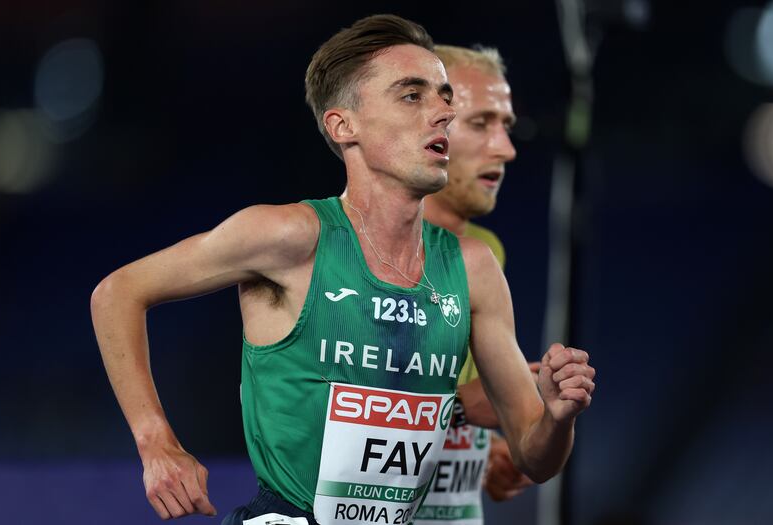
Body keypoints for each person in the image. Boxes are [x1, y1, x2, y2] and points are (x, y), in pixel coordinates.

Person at [90, 14, 595, 525]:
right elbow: (117, 292)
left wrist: (557, 417)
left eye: (445, 96)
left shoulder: (474, 266)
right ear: (343, 125)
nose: (444, 112)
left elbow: (536, 455)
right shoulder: (290, 236)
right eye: (412, 95)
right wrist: (157, 442)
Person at [414, 44, 533, 525]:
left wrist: (484, 453)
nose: (506, 148)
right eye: (481, 123)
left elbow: (449, 400)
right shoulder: (343, 248)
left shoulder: (485, 251)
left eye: (506, 125)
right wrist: (154, 435)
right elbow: (314, 421)